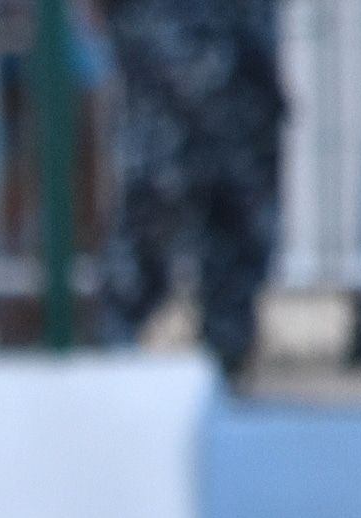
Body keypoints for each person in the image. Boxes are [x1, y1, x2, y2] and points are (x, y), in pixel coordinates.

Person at [96, 0, 286, 382]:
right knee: (158, 188)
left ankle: (228, 363)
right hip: (163, 25)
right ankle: (108, 360)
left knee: (239, 194)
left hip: (238, 36)